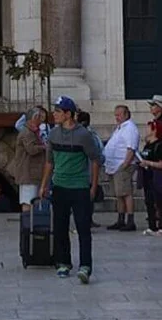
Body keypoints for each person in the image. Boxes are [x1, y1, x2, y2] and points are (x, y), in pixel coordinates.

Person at [40, 95, 99, 284]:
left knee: (83, 228)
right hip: (60, 186)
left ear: (68, 114)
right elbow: (50, 161)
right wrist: (44, 185)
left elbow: (96, 159)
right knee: (60, 227)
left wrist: (93, 185)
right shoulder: (53, 134)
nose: (54, 114)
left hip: (80, 186)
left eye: (58, 111)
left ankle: (85, 265)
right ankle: (63, 262)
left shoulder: (84, 135)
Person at [102, 104, 139, 231]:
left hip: (122, 166)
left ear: (126, 114)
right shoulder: (119, 128)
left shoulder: (130, 128)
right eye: (115, 115)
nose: (116, 117)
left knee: (126, 193)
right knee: (118, 194)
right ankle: (120, 219)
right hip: (114, 166)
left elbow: (131, 148)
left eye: (119, 115)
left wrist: (125, 165)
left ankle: (130, 220)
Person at [137, 117, 162, 235]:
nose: (146, 129)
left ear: (155, 130)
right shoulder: (147, 145)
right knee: (149, 201)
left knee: (160, 201)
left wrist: (149, 163)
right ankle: (152, 226)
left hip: (157, 177)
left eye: (149, 127)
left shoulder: (160, 145)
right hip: (147, 176)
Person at [14, 107, 48, 208]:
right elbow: (31, 149)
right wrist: (44, 147)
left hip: (34, 173)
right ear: (35, 118)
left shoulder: (33, 132)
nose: (41, 120)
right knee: (28, 202)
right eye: (40, 117)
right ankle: (27, 222)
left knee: (35, 201)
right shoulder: (26, 132)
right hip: (27, 174)